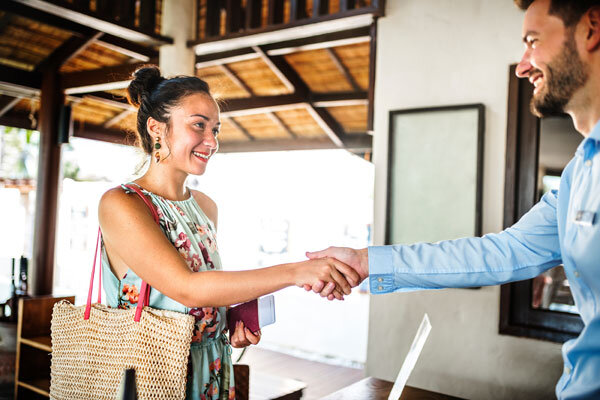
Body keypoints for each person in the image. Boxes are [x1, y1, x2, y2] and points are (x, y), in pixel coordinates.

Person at [305, 0, 600, 398]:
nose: (523, 64)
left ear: (591, 28)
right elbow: (501, 253)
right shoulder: (579, 172)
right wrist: (365, 261)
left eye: (532, 41)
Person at [98, 66, 359, 400]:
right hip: (151, 376)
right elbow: (187, 289)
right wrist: (297, 271)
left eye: (216, 129)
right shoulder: (122, 203)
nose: (212, 141)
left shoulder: (205, 206)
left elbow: (204, 294)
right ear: (156, 128)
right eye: (198, 125)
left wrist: (226, 324)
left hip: (212, 366)